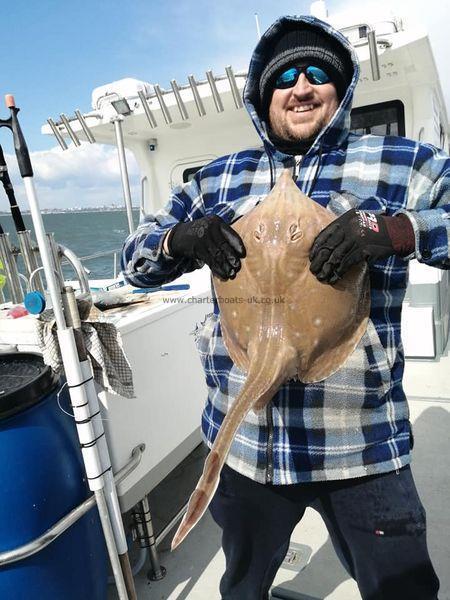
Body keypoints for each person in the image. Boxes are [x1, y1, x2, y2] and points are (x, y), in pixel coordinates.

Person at [122, 15, 449, 600]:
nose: (301, 86)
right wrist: (179, 240)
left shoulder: (405, 164)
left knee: (402, 589)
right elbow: (135, 261)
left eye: (317, 73)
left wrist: (399, 229)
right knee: (243, 586)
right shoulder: (218, 179)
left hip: (361, 444)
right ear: (262, 96)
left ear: (341, 88)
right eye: (285, 77)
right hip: (245, 442)